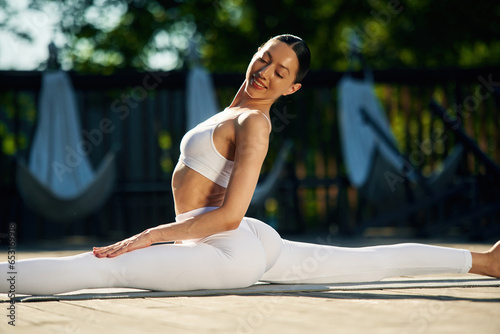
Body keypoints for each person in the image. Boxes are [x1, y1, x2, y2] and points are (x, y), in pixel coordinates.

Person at [1, 34, 499, 295]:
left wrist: (146, 237)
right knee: (367, 263)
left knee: (99, 270)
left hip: (227, 248)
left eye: (281, 72)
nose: (266, 73)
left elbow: (230, 215)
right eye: (264, 59)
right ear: (254, 56)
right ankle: (486, 262)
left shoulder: (254, 124)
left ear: (292, 88)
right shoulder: (231, 113)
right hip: (249, 242)